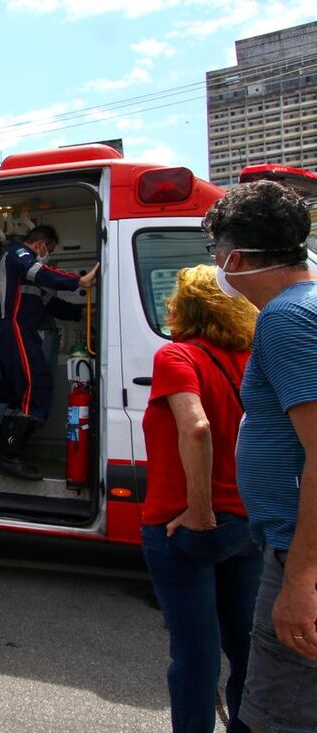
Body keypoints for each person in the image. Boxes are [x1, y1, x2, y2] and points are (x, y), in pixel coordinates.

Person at [200, 180, 317, 733]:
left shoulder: (286, 318)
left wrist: (300, 580)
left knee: (277, 718)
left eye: (215, 253)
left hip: (300, 548)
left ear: (234, 256)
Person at [141, 264, 262, 733]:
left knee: (195, 654)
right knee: (248, 646)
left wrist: (198, 510)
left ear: (184, 307)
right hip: (247, 523)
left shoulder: (178, 356)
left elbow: (196, 427)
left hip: (186, 525)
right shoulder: (253, 356)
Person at [0, 225, 98, 480]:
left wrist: (82, 314)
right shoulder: (16, 254)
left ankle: (5, 452)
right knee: (33, 385)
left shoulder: (29, 279)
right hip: (14, 326)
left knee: (24, 391)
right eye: (48, 249)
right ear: (39, 244)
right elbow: (36, 271)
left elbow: (48, 302)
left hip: (22, 330)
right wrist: (77, 281)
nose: (46, 254)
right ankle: (8, 457)